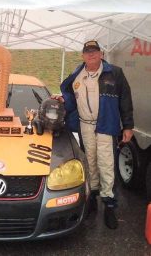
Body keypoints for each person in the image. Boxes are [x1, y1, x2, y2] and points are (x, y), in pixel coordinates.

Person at [60, 40, 134, 229]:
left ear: (101, 53)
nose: (91, 54)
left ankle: (109, 205)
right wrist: (62, 101)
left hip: (106, 126)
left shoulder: (114, 72)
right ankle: (92, 198)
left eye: (94, 51)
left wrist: (128, 126)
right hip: (85, 126)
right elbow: (69, 96)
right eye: (87, 52)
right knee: (90, 161)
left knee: (106, 164)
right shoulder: (77, 75)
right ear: (83, 55)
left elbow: (125, 99)